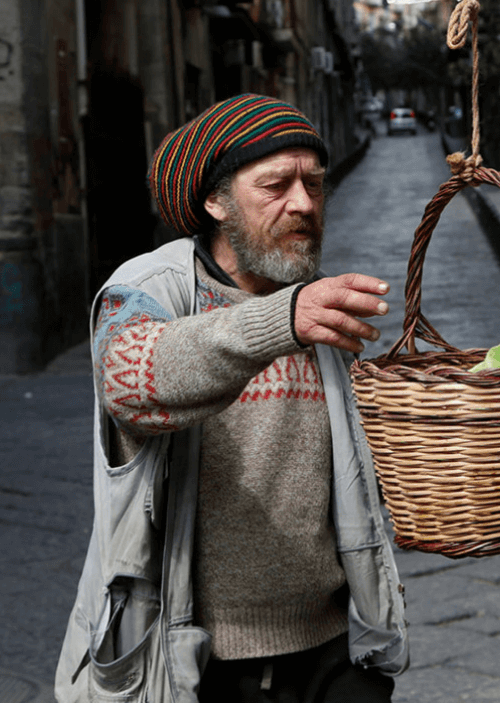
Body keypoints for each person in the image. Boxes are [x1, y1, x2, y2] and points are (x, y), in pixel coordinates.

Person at [56, 94, 408, 701]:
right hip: (190, 661)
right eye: (276, 185)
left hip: (332, 654)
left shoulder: (316, 304)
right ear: (215, 202)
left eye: (315, 184)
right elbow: (131, 383)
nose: (304, 202)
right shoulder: (147, 289)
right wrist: (279, 321)